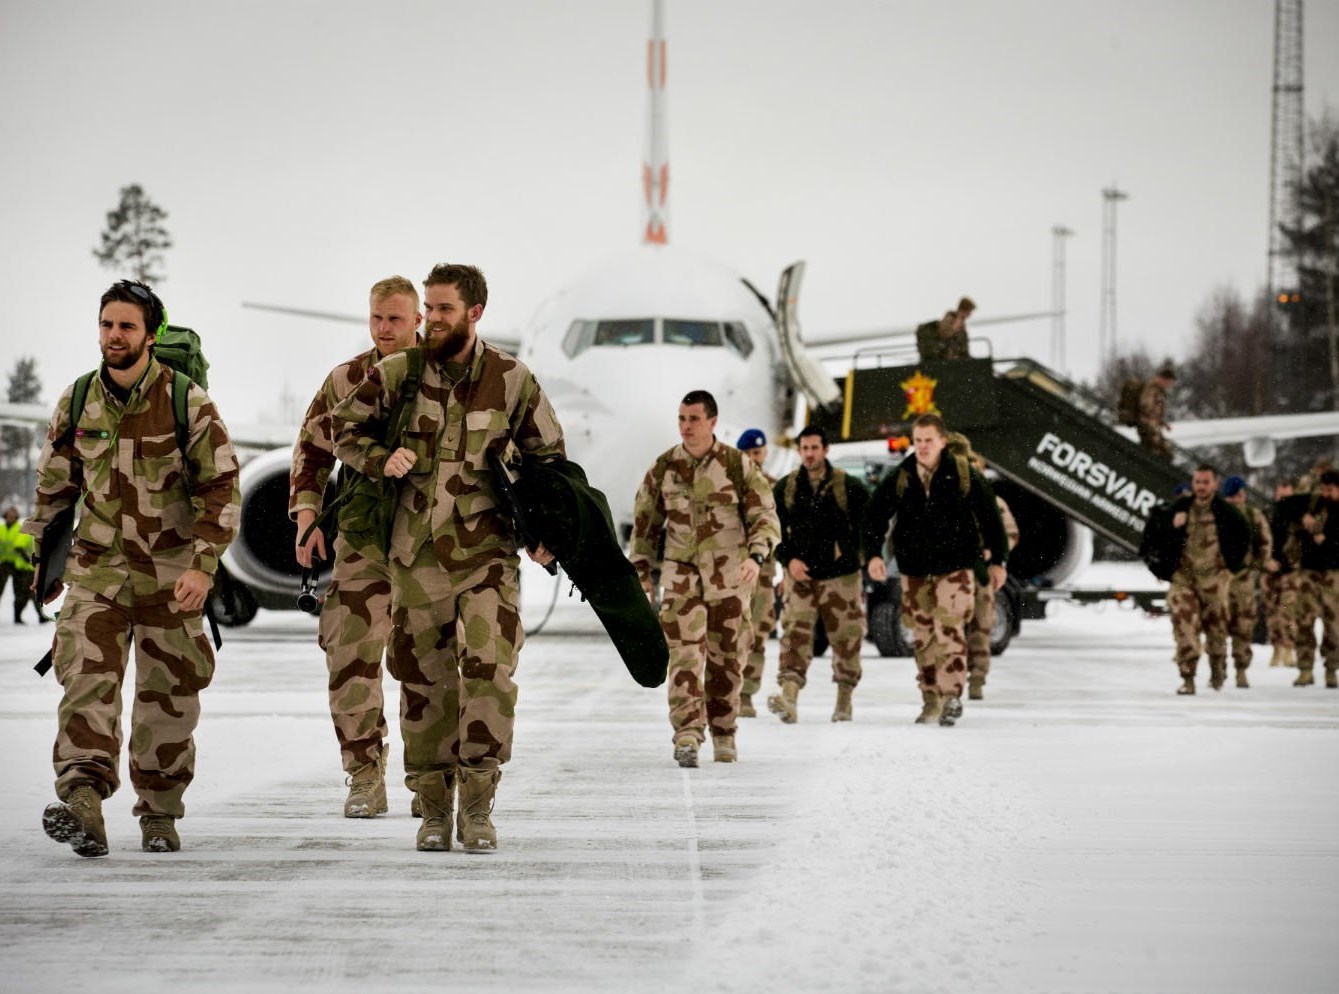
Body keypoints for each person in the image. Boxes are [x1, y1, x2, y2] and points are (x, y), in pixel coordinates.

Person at [332, 263, 564, 853]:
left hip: (489, 558)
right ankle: (434, 809)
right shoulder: (398, 373)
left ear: (474, 312)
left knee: (489, 673)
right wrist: (381, 458)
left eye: (442, 310)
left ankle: (479, 806)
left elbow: (550, 461)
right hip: (416, 559)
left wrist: (548, 530)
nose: (430, 320)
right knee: (423, 684)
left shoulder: (512, 379)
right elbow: (343, 429)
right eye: (428, 309)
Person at [24, 280, 240, 857]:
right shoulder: (76, 402)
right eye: (106, 324)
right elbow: (53, 491)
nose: (114, 336)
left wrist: (202, 566)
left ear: (150, 334)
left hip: (172, 579)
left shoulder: (187, 402)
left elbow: (220, 490)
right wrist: (41, 566)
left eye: (126, 326)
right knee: (85, 686)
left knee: (168, 700)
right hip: (96, 574)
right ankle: (83, 802)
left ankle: (160, 814)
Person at [291, 276, 423, 818]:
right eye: (376, 318)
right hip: (364, 537)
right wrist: (306, 516)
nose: (385, 329)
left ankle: (431, 777)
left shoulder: (444, 377)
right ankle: (364, 773)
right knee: (350, 653)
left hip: (431, 543)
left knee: (427, 660)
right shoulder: (347, 378)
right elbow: (311, 449)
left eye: (395, 318)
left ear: (419, 320)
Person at [630, 390, 779, 767]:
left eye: (694, 419)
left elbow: (766, 517)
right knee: (684, 657)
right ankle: (687, 735)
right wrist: (641, 573)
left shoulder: (736, 466)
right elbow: (645, 525)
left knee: (727, 659)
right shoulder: (664, 468)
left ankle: (724, 732)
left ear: (712, 422)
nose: (686, 427)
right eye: (681, 418)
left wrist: (757, 556)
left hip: (730, 579)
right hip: (681, 580)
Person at [863, 413, 1009, 726]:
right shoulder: (901, 476)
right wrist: (873, 555)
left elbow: (990, 518)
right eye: (918, 441)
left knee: (950, 627)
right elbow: (875, 516)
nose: (923, 446)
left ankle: (951, 695)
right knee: (923, 635)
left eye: (929, 440)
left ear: (943, 441)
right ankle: (930, 698)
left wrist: (998, 560)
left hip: (955, 567)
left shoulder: (963, 474)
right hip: (915, 569)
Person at [767, 425, 869, 723]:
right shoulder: (786, 488)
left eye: (815, 448)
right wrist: (788, 560)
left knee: (846, 637)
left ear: (826, 449)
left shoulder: (848, 486)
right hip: (801, 576)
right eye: (805, 448)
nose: (809, 453)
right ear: (799, 451)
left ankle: (844, 700)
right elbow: (771, 530)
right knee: (795, 634)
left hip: (841, 578)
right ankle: (788, 698)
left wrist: (850, 556)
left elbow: (869, 529)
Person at [1147, 463, 1250, 694]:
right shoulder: (1180, 508)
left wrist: (1231, 567)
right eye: (1197, 482)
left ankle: (1217, 668)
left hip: (1214, 580)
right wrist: (1173, 529)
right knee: (1184, 628)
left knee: (1216, 630)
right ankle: (1188, 677)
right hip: (1184, 580)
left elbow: (1243, 535)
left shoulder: (1225, 511)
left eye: (1206, 482)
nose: (1201, 487)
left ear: (1214, 484)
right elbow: (1157, 535)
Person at [1272, 469, 1339, 688]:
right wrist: (1303, 517)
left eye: (1331, 490)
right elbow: (1282, 506)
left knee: (1334, 624)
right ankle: (1305, 669)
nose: (1326, 494)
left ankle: (1331, 669)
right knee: (1304, 621)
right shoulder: (1311, 502)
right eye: (1324, 489)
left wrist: (1325, 540)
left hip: (1333, 571)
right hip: (1309, 570)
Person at [964, 448, 1019, 701]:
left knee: (980, 626)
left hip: (981, 574)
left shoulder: (993, 503)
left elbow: (1009, 534)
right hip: (953, 571)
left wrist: (994, 553)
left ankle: (977, 678)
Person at [735, 427, 776, 718]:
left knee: (757, 635)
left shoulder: (776, 486)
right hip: (729, 574)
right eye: (748, 453)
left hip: (762, 576)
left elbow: (783, 531)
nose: (754, 458)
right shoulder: (725, 488)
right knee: (725, 636)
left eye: (757, 453)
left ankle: (747, 693)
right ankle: (723, 692)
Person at [1221, 475, 1273, 688]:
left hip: (1243, 579)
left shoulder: (1253, 515)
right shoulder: (1217, 515)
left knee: (1243, 626)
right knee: (1218, 627)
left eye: (1239, 495)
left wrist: (1257, 566)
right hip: (1221, 580)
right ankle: (1219, 667)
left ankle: (1241, 669)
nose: (1236, 500)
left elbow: (1265, 543)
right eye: (1232, 496)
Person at [1262, 477, 1299, 667]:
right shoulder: (1268, 514)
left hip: (1292, 570)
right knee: (1272, 613)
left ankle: (1289, 648)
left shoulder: (1300, 516)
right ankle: (1276, 648)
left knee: (1288, 610)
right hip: (1270, 570)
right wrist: (1266, 561)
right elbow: (1259, 540)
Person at [0, 505, 48, 623]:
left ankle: (37, 616)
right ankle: (22, 616)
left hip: (22, 566)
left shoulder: (21, 528)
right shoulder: (2, 529)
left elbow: (19, 546)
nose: (11, 516)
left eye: (13, 513)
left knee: (28, 592)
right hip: (9, 564)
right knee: (23, 592)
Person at [915, 296, 975, 362]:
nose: (970, 314)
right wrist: (955, 326)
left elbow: (963, 344)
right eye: (969, 311)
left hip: (955, 359)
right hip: (946, 359)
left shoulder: (960, 322)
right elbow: (944, 334)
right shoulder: (951, 318)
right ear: (964, 310)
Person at [1137, 362, 1177, 459]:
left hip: (1151, 427)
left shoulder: (1158, 391)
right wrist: (1152, 422)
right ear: (1163, 379)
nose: (1169, 386)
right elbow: (1146, 407)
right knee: (1160, 453)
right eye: (1169, 383)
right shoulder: (1152, 390)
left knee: (1158, 452)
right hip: (1148, 427)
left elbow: (1155, 412)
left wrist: (1162, 423)